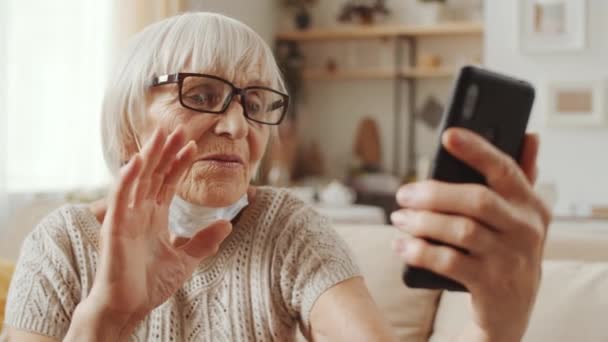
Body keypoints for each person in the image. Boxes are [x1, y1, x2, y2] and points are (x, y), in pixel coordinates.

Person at [4, 12, 550, 342]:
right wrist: (105, 320)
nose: (239, 125)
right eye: (200, 94)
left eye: (257, 101)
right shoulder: (63, 243)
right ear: (127, 125)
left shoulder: (286, 228)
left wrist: (494, 329)